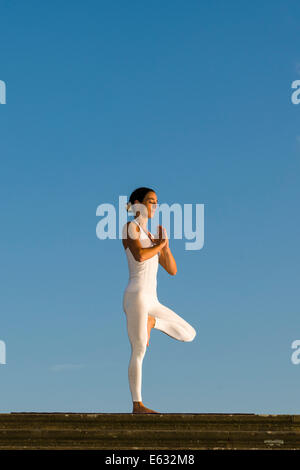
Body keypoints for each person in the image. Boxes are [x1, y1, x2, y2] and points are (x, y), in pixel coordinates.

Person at [122, 187, 197, 414]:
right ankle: (138, 404)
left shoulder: (150, 236)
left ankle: (153, 322)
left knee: (189, 333)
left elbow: (172, 270)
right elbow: (140, 255)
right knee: (139, 349)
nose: (154, 206)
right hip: (136, 296)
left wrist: (165, 246)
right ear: (137, 204)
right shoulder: (130, 228)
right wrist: (158, 246)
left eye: (156, 202)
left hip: (152, 300)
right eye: (150, 201)